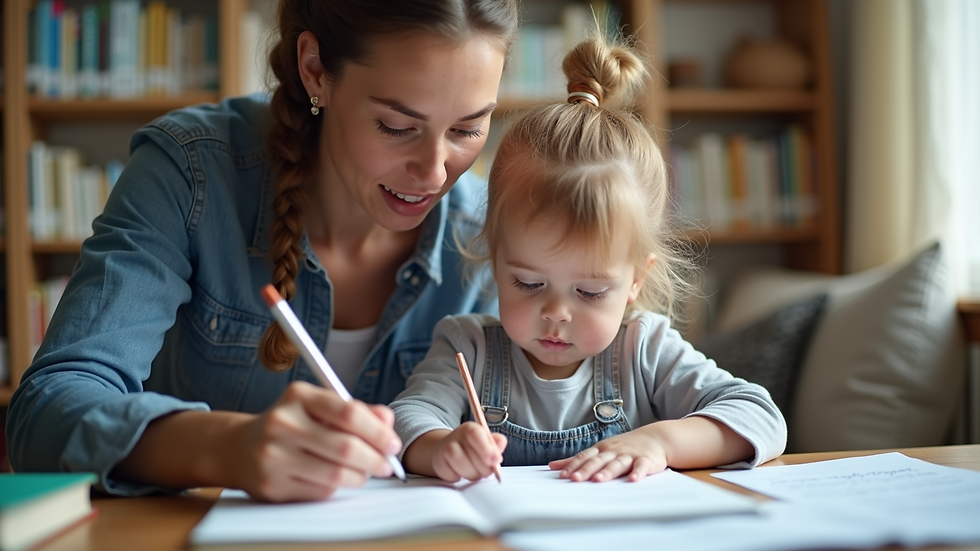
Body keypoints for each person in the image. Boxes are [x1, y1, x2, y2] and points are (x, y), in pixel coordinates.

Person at [6, 0, 519, 502]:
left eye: (467, 129)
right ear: (315, 69)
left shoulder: (491, 229)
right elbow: (45, 414)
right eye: (396, 126)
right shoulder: (190, 171)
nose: (434, 173)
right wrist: (226, 447)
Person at [390, 30, 787, 484]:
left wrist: (660, 442)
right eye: (529, 283)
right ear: (495, 262)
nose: (556, 313)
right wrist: (441, 447)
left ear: (636, 279)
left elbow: (760, 417)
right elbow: (407, 418)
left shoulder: (644, 349)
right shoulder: (467, 347)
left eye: (591, 291)